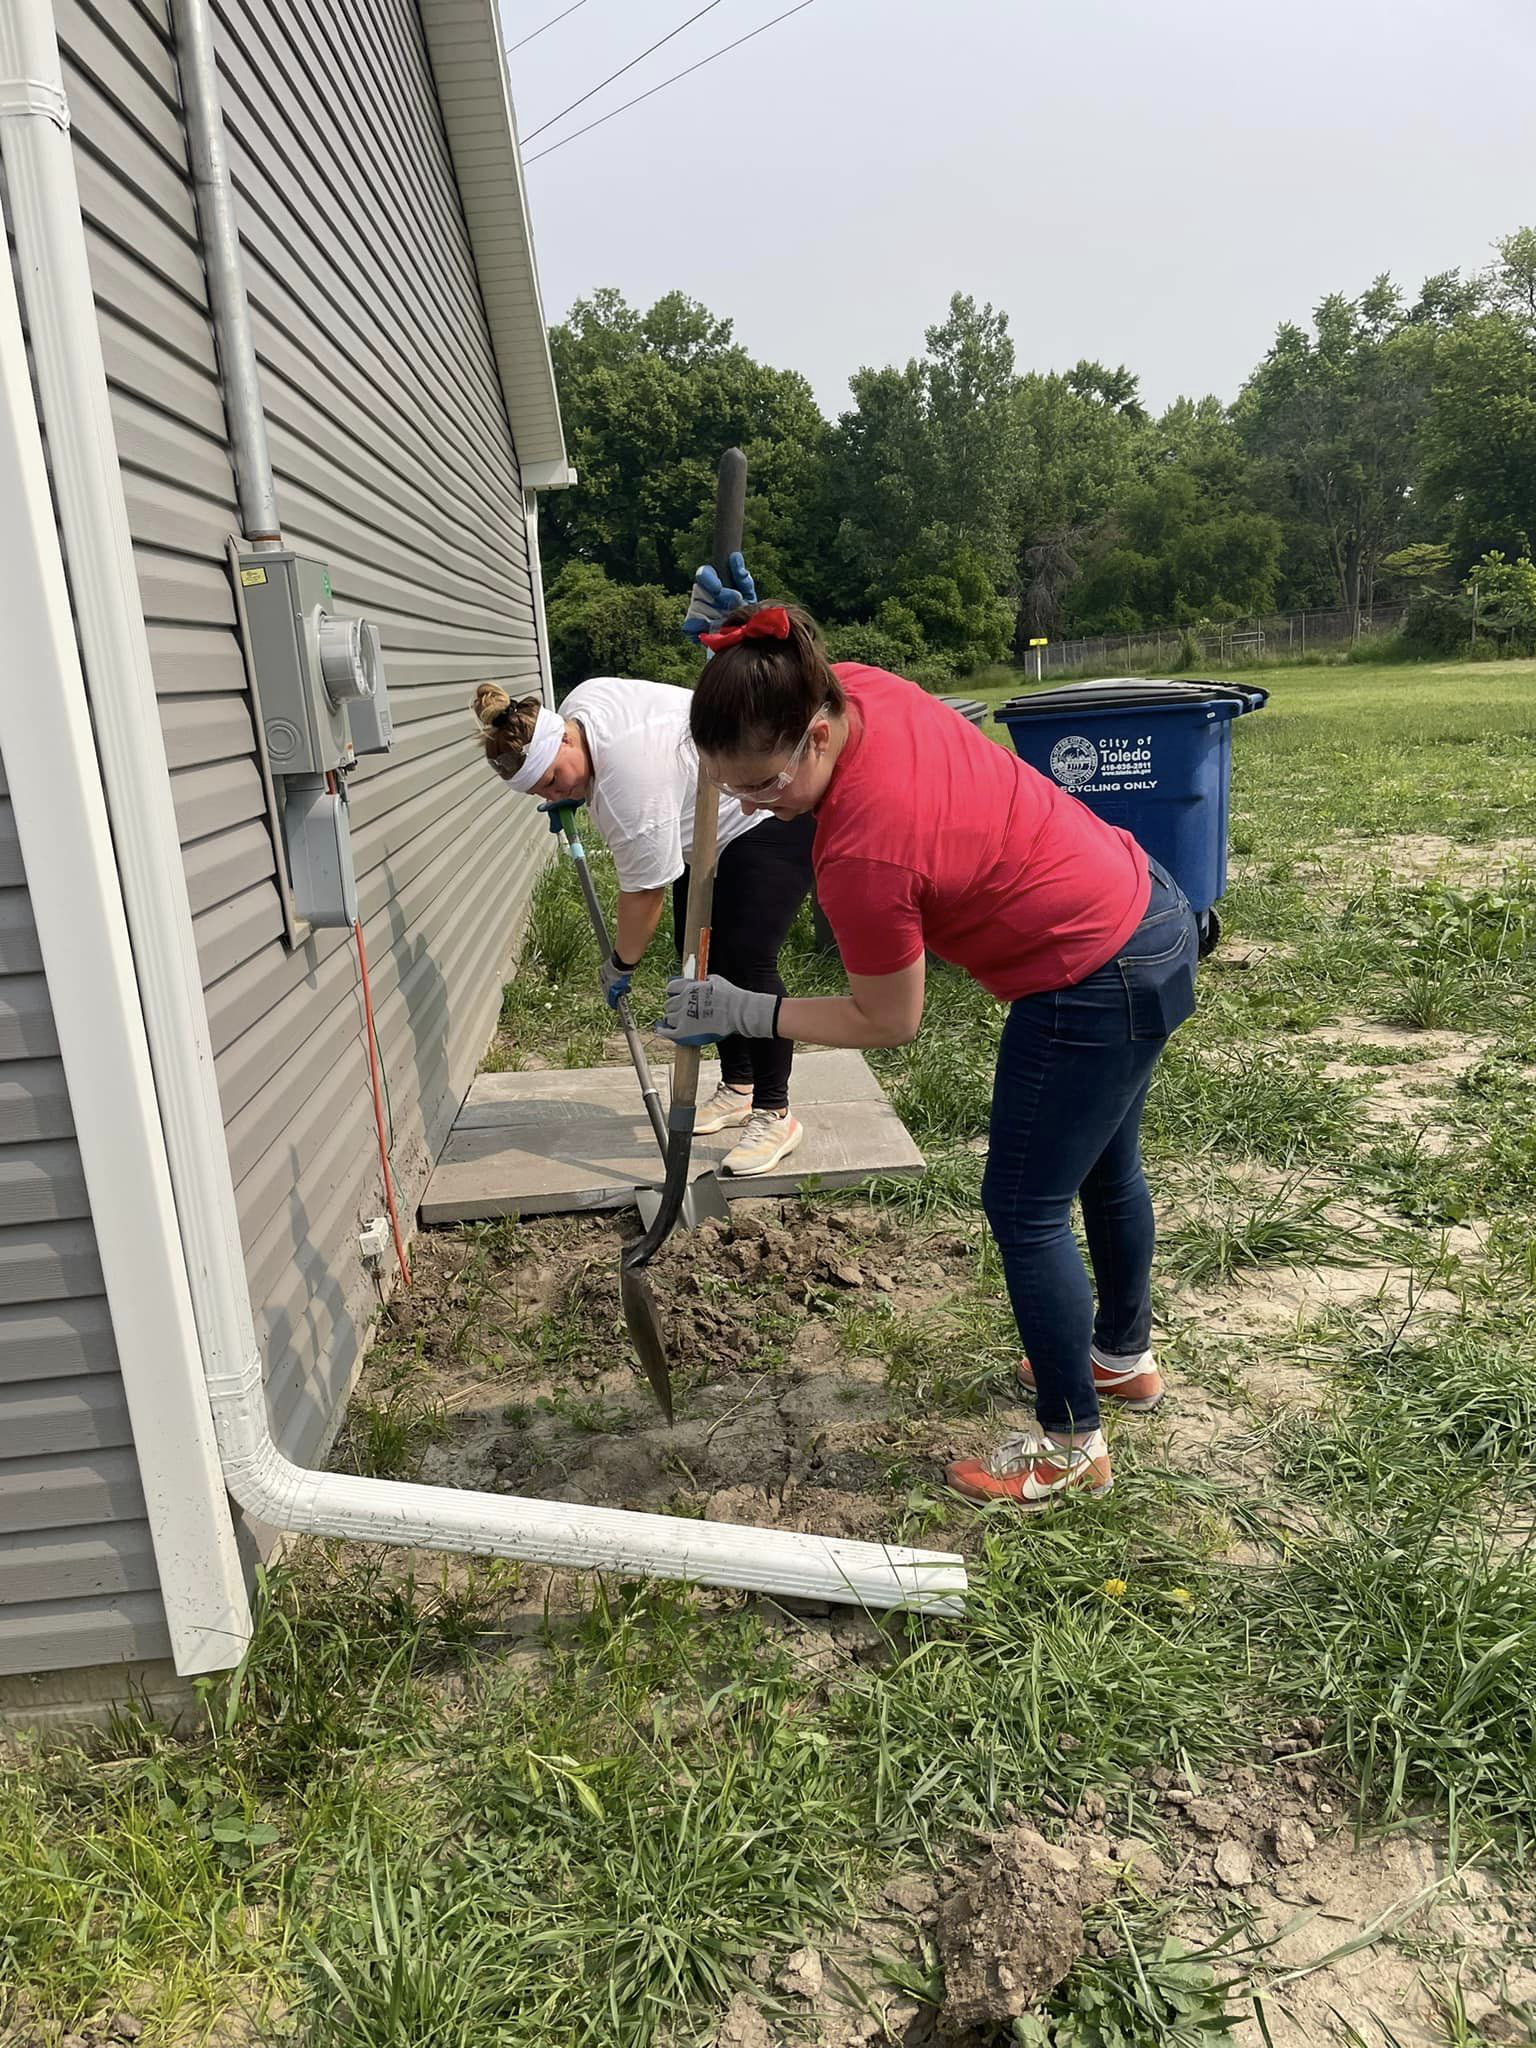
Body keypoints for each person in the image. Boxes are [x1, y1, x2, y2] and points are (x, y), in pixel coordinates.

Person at [657, 602, 1199, 1509]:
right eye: (731, 790)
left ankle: (1071, 1449)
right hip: (1146, 912)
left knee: (1023, 1207)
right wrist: (745, 633)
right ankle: (1120, 1358)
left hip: (1089, 978)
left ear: (818, 734)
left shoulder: (863, 852)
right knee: (1106, 1172)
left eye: (762, 785)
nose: (751, 807)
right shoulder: (859, 688)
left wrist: (745, 1006)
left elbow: (887, 1020)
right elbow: (791, 652)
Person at [470, 562, 813, 1176]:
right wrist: (570, 795)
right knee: (702, 960)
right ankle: (737, 1087)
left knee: (744, 962)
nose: (553, 796)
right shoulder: (580, 705)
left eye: (553, 780)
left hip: (764, 816)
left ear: (567, 743)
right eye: (540, 794)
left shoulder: (629, 783)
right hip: (704, 828)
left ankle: (775, 1110)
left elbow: (645, 893)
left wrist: (620, 964)